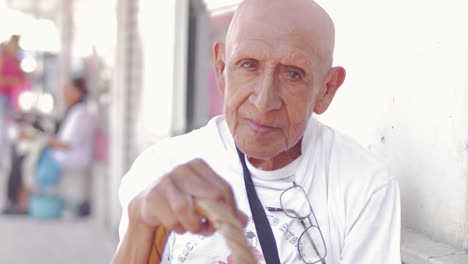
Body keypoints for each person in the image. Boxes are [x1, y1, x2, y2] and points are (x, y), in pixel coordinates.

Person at [113, 0, 401, 263]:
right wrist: (142, 227)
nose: (264, 101)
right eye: (248, 65)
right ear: (221, 68)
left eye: (293, 74)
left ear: (326, 90)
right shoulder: (161, 170)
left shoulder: (363, 186)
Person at [3, 77, 95, 217]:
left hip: (68, 156)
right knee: (22, 154)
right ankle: (16, 201)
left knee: (27, 158)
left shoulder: (80, 113)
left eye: (67, 91)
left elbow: (65, 143)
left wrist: (41, 141)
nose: (64, 94)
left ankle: (21, 203)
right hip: (60, 153)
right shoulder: (73, 111)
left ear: (77, 92)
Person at [0, 35, 25, 170]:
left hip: (12, 98)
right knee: (2, 130)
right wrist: (11, 81)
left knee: (11, 129)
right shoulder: (3, 59)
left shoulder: (17, 60)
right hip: (2, 96)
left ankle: (7, 160)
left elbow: (22, 78)